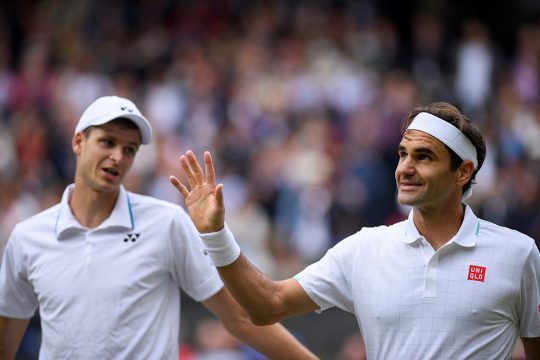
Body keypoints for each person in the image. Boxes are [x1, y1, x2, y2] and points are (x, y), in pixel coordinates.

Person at [171, 101, 540, 359]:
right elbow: (267, 306)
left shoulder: (518, 254)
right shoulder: (365, 248)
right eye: (402, 154)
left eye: (423, 157)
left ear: (463, 172)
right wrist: (216, 236)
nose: (405, 168)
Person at [0, 95, 318, 360]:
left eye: (129, 149)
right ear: (78, 141)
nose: (118, 157)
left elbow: (240, 318)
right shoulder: (28, 237)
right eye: (107, 142)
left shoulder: (167, 223)